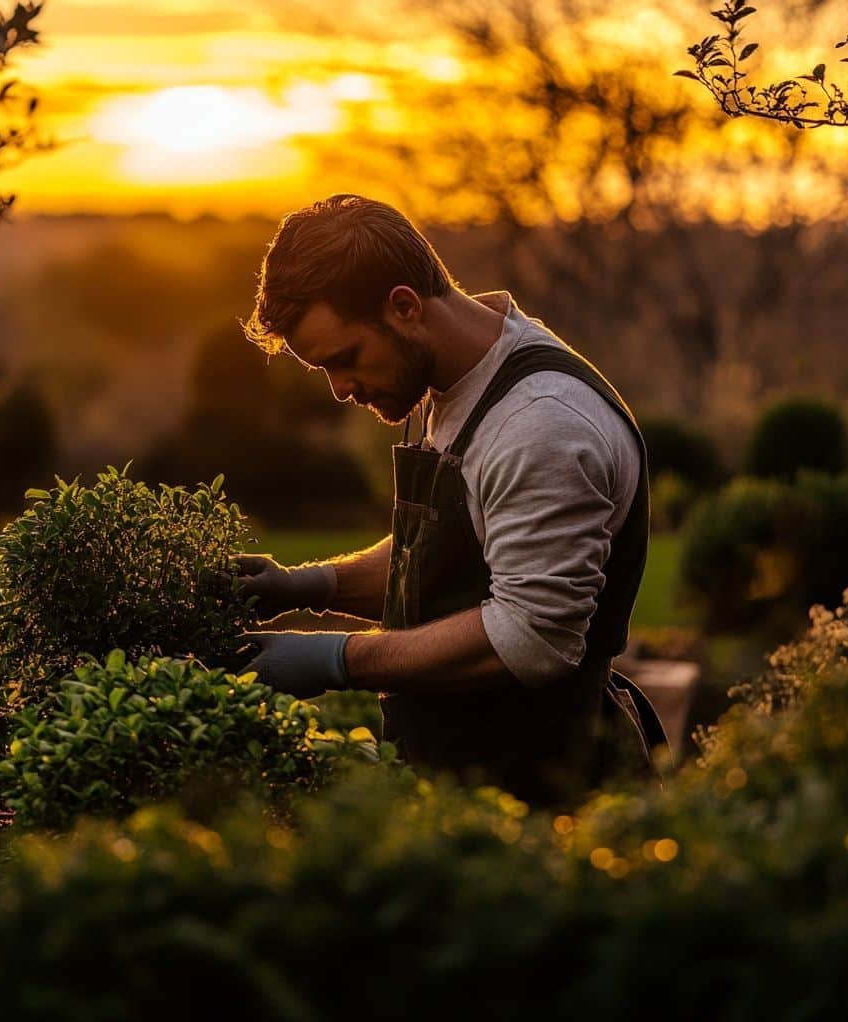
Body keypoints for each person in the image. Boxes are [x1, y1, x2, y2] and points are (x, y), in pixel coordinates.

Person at [234, 193, 666, 807]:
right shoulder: (463, 378)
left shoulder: (539, 425)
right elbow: (455, 546)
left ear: (404, 307)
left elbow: (533, 636)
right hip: (468, 788)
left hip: (550, 802)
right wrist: (312, 587)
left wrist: (336, 660)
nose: (340, 390)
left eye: (346, 359)